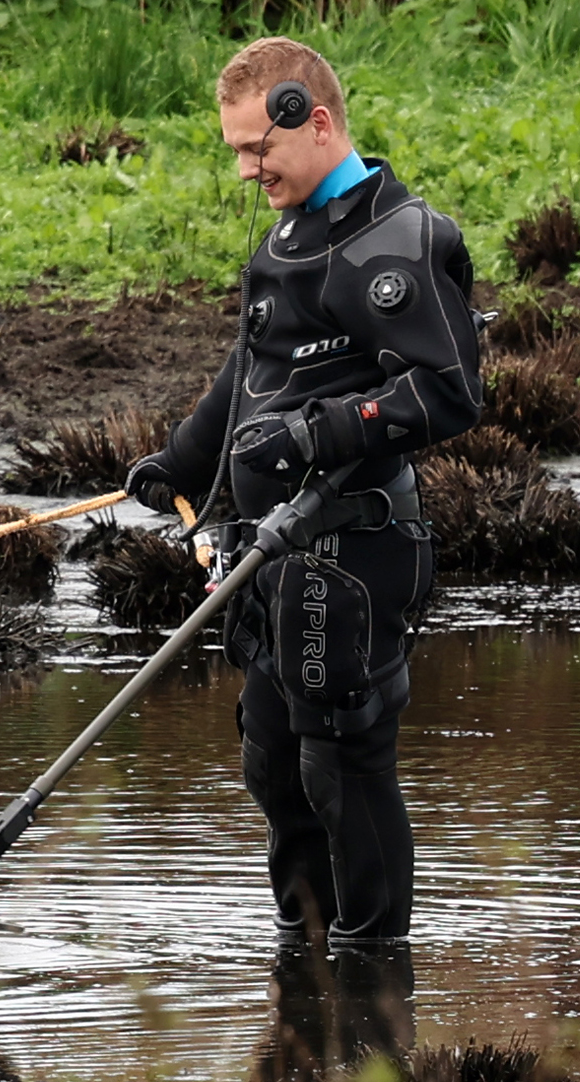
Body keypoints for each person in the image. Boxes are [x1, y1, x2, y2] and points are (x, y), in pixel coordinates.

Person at [125, 38, 484, 944]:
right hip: (266, 551)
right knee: (274, 764)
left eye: (259, 151)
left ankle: (373, 977)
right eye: (237, 152)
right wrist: (183, 460)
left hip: (352, 552)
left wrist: (316, 436)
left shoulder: (396, 241)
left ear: (314, 123)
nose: (248, 171)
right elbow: (255, 370)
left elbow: (449, 393)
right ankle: (306, 966)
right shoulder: (290, 236)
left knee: (340, 764)